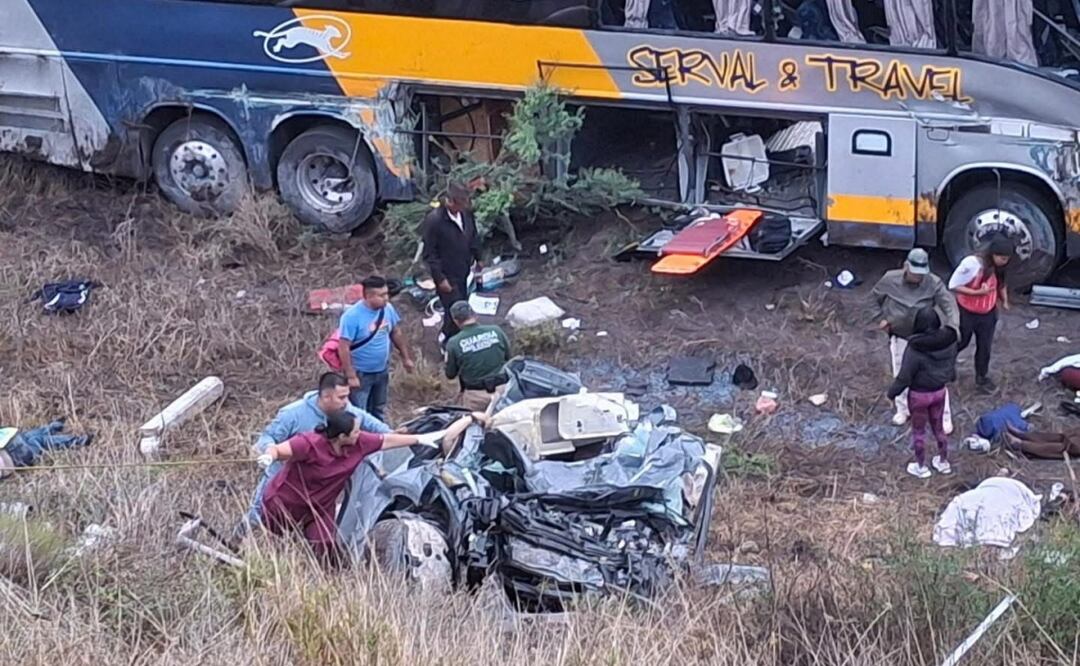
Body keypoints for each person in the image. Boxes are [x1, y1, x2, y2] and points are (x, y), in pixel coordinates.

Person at [258, 410, 485, 565]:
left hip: (320, 506)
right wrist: (269, 455)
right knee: (276, 543)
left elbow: (386, 440)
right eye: (355, 431)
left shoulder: (359, 443)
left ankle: (324, 578)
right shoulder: (309, 443)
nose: (360, 433)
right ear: (341, 436)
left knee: (325, 543)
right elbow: (279, 450)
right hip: (286, 501)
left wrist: (420, 439)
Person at [233, 372, 394, 544]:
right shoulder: (292, 414)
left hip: (319, 484)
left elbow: (373, 426)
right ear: (326, 397)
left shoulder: (347, 412)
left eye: (347, 397)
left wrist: (396, 434)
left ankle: (301, 550)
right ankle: (237, 542)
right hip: (283, 481)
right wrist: (268, 452)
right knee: (258, 514)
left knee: (316, 527)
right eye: (341, 397)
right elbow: (268, 437)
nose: (346, 402)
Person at [872, 248, 960, 429]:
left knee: (935, 378)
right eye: (915, 273)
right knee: (901, 373)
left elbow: (949, 304)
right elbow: (873, 299)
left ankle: (943, 417)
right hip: (901, 335)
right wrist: (880, 319)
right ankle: (903, 409)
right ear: (906, 266)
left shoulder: (933, 283)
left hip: (926, 337)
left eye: (921, 274)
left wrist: (953, 327)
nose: (918, 277)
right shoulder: (889, 280)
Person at [887, 307, 957, 479]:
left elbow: (904, 376)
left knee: (919, 431)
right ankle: (943, 462)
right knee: (939, 428)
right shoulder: (949, 341)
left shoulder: (915, 347)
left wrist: (892, 393)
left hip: (919, 395)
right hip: (939, 391)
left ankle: (921, 466)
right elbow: (951, 366)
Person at [338, 275, 414, 421]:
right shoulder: (351, 317)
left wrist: (406, 358)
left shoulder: (388, 309)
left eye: (386, 294)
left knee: (379, 408)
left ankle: (380, 433)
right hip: (361, 373)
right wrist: (351, 375)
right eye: (381, 295)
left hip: (381, 369)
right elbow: (344, 347)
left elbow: (395, 332)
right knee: (360, 412)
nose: (386, 298)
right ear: (369, 296)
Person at [949, 236, 1013, 392]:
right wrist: (976, 293)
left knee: (984, 347)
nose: (1004, 262)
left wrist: (1004, 300)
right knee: (962, 341)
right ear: (993, 254)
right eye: (1002, 258)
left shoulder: (1000, 267)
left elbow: (1001, 283)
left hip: (988, 312)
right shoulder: (972, 264)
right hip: (967, 311)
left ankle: (981, 378)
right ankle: (947, 364)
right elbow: (954, 285)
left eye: (1007, 259)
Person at [422, 183, 483, 344]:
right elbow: (430, 254)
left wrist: (479, 258)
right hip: (447, 274)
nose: (464, 206)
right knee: (454, 309)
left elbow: (473, 237)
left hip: (463, 269)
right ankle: (448, 339)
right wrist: (440, 278)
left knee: (462, 302)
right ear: (450, 201)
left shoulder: (466, 214)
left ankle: (456, 337)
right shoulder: (435, 221)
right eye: (461, 203)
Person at [444, 301, 512, 410]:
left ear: (455, 321)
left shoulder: (453, 343)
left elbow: (450, 374)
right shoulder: (496, 331)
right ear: (474, 314)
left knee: (471, 419)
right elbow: (509, 358)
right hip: (503, 390)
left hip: (475, 396)